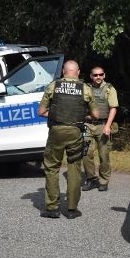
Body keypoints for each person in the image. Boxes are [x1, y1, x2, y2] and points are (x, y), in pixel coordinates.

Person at [37, 60, 99, 219]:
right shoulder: (85, 89)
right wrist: (81, 117)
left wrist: (57, 116)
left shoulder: (53, 86)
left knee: (51, 167)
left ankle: (52, 208)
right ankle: (72, 209)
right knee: (74, 167)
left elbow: (41, 111)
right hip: (75, 131)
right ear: (78, 72)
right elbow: (96, 115)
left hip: (56, 131)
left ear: (64, 72)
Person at [81, 66, 119, 192]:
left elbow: (113, 108)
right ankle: (91, 178)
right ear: (91, 76)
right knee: (86, 153)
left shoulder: (109, 89)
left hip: (103, 125)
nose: (98, 77)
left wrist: (108, 126)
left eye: (100, 74)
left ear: (104, 75)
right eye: (95, 75)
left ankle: (103, 180)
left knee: (104, 155)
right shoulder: (86, 88)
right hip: (88, 124)